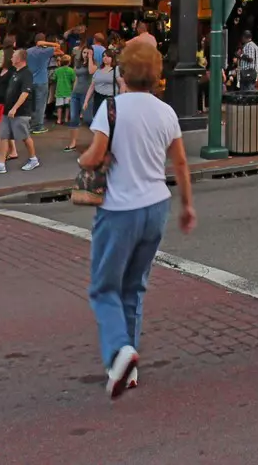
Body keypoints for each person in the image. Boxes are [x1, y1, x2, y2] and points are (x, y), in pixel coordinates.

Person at [78, 39, 195, 398]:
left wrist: (84, 160)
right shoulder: (166, 112)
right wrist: (187, 205)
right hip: (156, 206)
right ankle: (127, 370)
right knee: (134, 287)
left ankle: (119, 351)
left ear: (123, 72)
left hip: (119, 208)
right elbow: (180, 163)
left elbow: (94, 156)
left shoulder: (111, 109)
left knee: (104, 287)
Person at [0, 48, 41, 175]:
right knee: (4, 136)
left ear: (19, 59)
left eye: (14, 56)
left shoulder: (26, 73)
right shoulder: (15, 73)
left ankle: (33, 159)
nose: (11, 58)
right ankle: (1, 164)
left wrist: (15, 108)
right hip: (7, 110)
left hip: (20, 112)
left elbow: (25, 92)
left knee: (25, 136)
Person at [25, 33, 56, 133]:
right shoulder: (46, 51)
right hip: (42, 81)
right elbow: (58, 47)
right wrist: (46, 43)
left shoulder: (27, 51)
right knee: (40, 105)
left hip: (30, 80)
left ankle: (29, 124)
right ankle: (38, 126)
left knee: (31, 104)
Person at [52, 53, 77, 126]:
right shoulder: (71, 70)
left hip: (59, 90)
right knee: (67, 106)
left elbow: (54, 79)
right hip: (68, 90)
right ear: (69, 62)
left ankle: (59, 120)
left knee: (59, 106)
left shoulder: (57, 70)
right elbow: (73, 80)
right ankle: (66, 118)